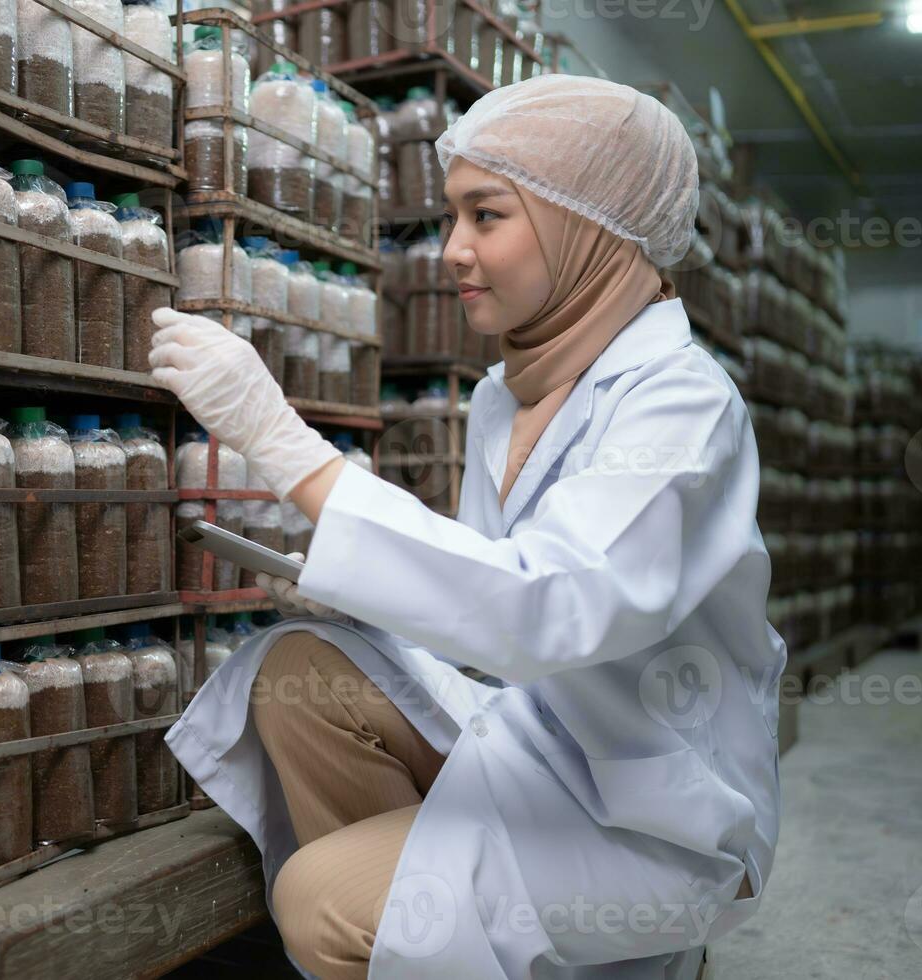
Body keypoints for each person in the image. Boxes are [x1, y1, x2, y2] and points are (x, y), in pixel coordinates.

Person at [151, 74, 783, 980]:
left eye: (486, 216)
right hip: (544, 738)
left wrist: (286, 447)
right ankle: (437, 932)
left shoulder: (679, 403)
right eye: (453, 217)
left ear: (588, 227)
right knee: (297, 675)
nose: (452, 250)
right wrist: (354, 577)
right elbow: (494, 598)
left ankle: (444, 924)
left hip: (654, 811)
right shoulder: (506, 394)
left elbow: (548, 607)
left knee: (320, 902)